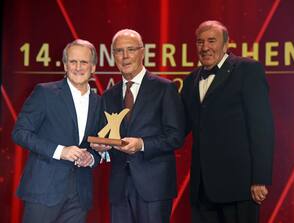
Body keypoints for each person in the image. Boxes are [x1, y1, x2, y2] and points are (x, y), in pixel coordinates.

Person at [181, 20, 274, 223]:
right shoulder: (191, 80)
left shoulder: (248, 70)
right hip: (202, 189)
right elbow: (179, 127)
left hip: (239, 187)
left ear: (226, 44)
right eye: (200, 42)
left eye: (212, 41)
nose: (205, 47)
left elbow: (262, 128)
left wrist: (260, 178)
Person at [92, 29, 185, 223]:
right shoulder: (109, 96)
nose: (125, 56)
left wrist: (141, 144)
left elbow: (176, 136)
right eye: (119, 51)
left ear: (142, 52)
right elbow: (108, 135)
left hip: (154, 187)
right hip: (119, 188)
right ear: (113, 55)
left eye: (131, 49)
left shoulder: (164, 88)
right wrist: (103, 149)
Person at [12, 39, 101, 223]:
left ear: (93, 67)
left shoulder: (98, 102)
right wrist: (61, 151)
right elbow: (20, 133)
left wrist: (91, 158)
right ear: (65, 65)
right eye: (73, 62)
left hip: (79, 195)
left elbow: (98, 143)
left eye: (83, 62)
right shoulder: (45, 93)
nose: (78, 67)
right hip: (43, 191)